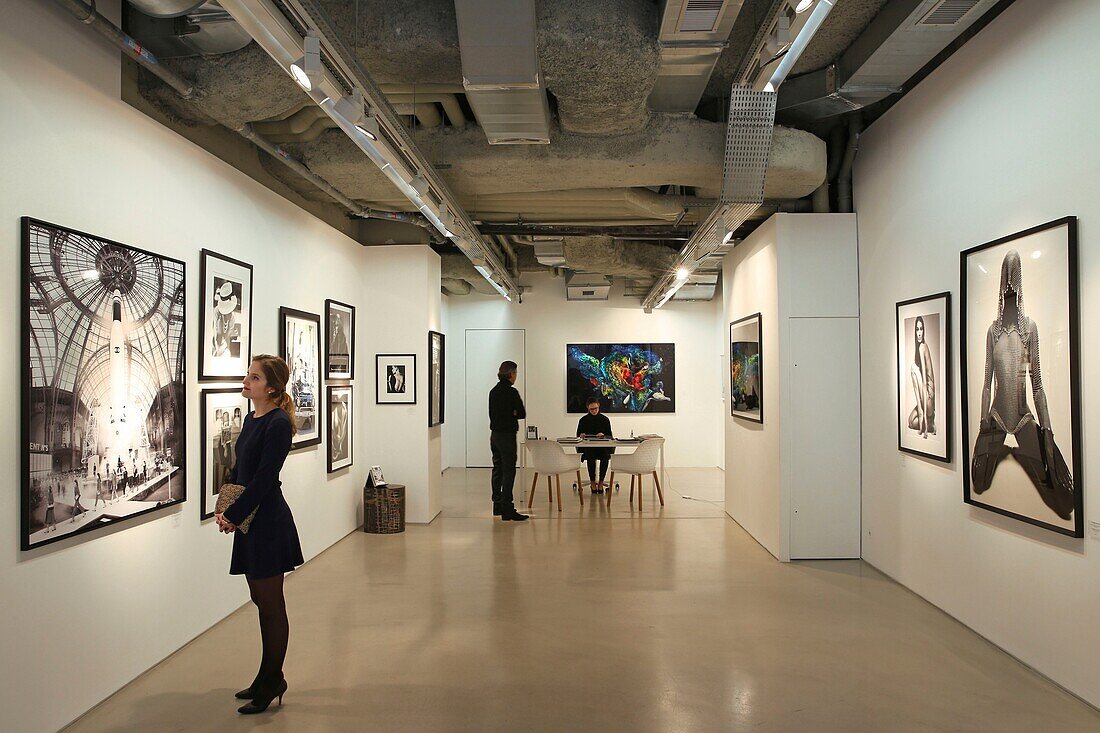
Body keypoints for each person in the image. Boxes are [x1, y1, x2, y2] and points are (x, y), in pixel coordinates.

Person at [215, 354, 304, 715]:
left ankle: (272, 679)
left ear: (271, 387)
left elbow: (265, 478)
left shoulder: (278, 423)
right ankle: (265, 675)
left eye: (253, 377)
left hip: (266, 522)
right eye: (247, 375)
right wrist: (224, 509)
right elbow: (240, 469)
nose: (246, 381)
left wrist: (234, 515)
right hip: (249, 520)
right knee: (259, 600)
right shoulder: (254, 419)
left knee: (271, 604)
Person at [971, 250, 1074, 520]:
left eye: (1013, 289)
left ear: (1019, 289)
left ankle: (1022, 450)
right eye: (1005, 290)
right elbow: (986, 382)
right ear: (999, 292)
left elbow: (1036, 384)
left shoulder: (1029, 329)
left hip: (1022, 416)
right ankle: (1002, 449)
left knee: (1061, 501)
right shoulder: (992, 332)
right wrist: (983, 422)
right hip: (995, 417)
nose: (1009, 295)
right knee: (979, 484)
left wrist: (1047, 431)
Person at [489, 360, 529, 521]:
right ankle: (507, 509)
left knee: (497, 469)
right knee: (509, 471)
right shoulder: (512, 392)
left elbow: (493, 414)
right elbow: (521, 413)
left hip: (495, 435)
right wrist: (512, 412)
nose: (516, 376)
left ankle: (497, 505)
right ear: (511, 374)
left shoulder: (493, 391)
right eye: (516, 373)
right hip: (507, 436)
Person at [576, 397, 614, 493]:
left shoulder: (605, 419)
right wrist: (582, 436)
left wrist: (603, 435)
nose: (594, 411)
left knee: (605, 456)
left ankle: (601, 482)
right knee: (590, 456)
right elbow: (578, 436)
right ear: (588, 408)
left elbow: (610, 436)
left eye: (596, 408)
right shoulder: (583, 420)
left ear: (599, 406)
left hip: (602, 447)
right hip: (588, 447)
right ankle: (593, 482)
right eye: (591, 409)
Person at [907, 316, 936, 438]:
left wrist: (923, 414)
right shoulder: (920, 347)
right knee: (910, 421)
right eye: (917, 329)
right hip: (927, 400)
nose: (919, 332)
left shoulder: (922, 347)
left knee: (913, 367)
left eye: (921, 329)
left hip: (928, 398)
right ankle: (930, 424)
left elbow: (924, 382)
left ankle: (924, 415)